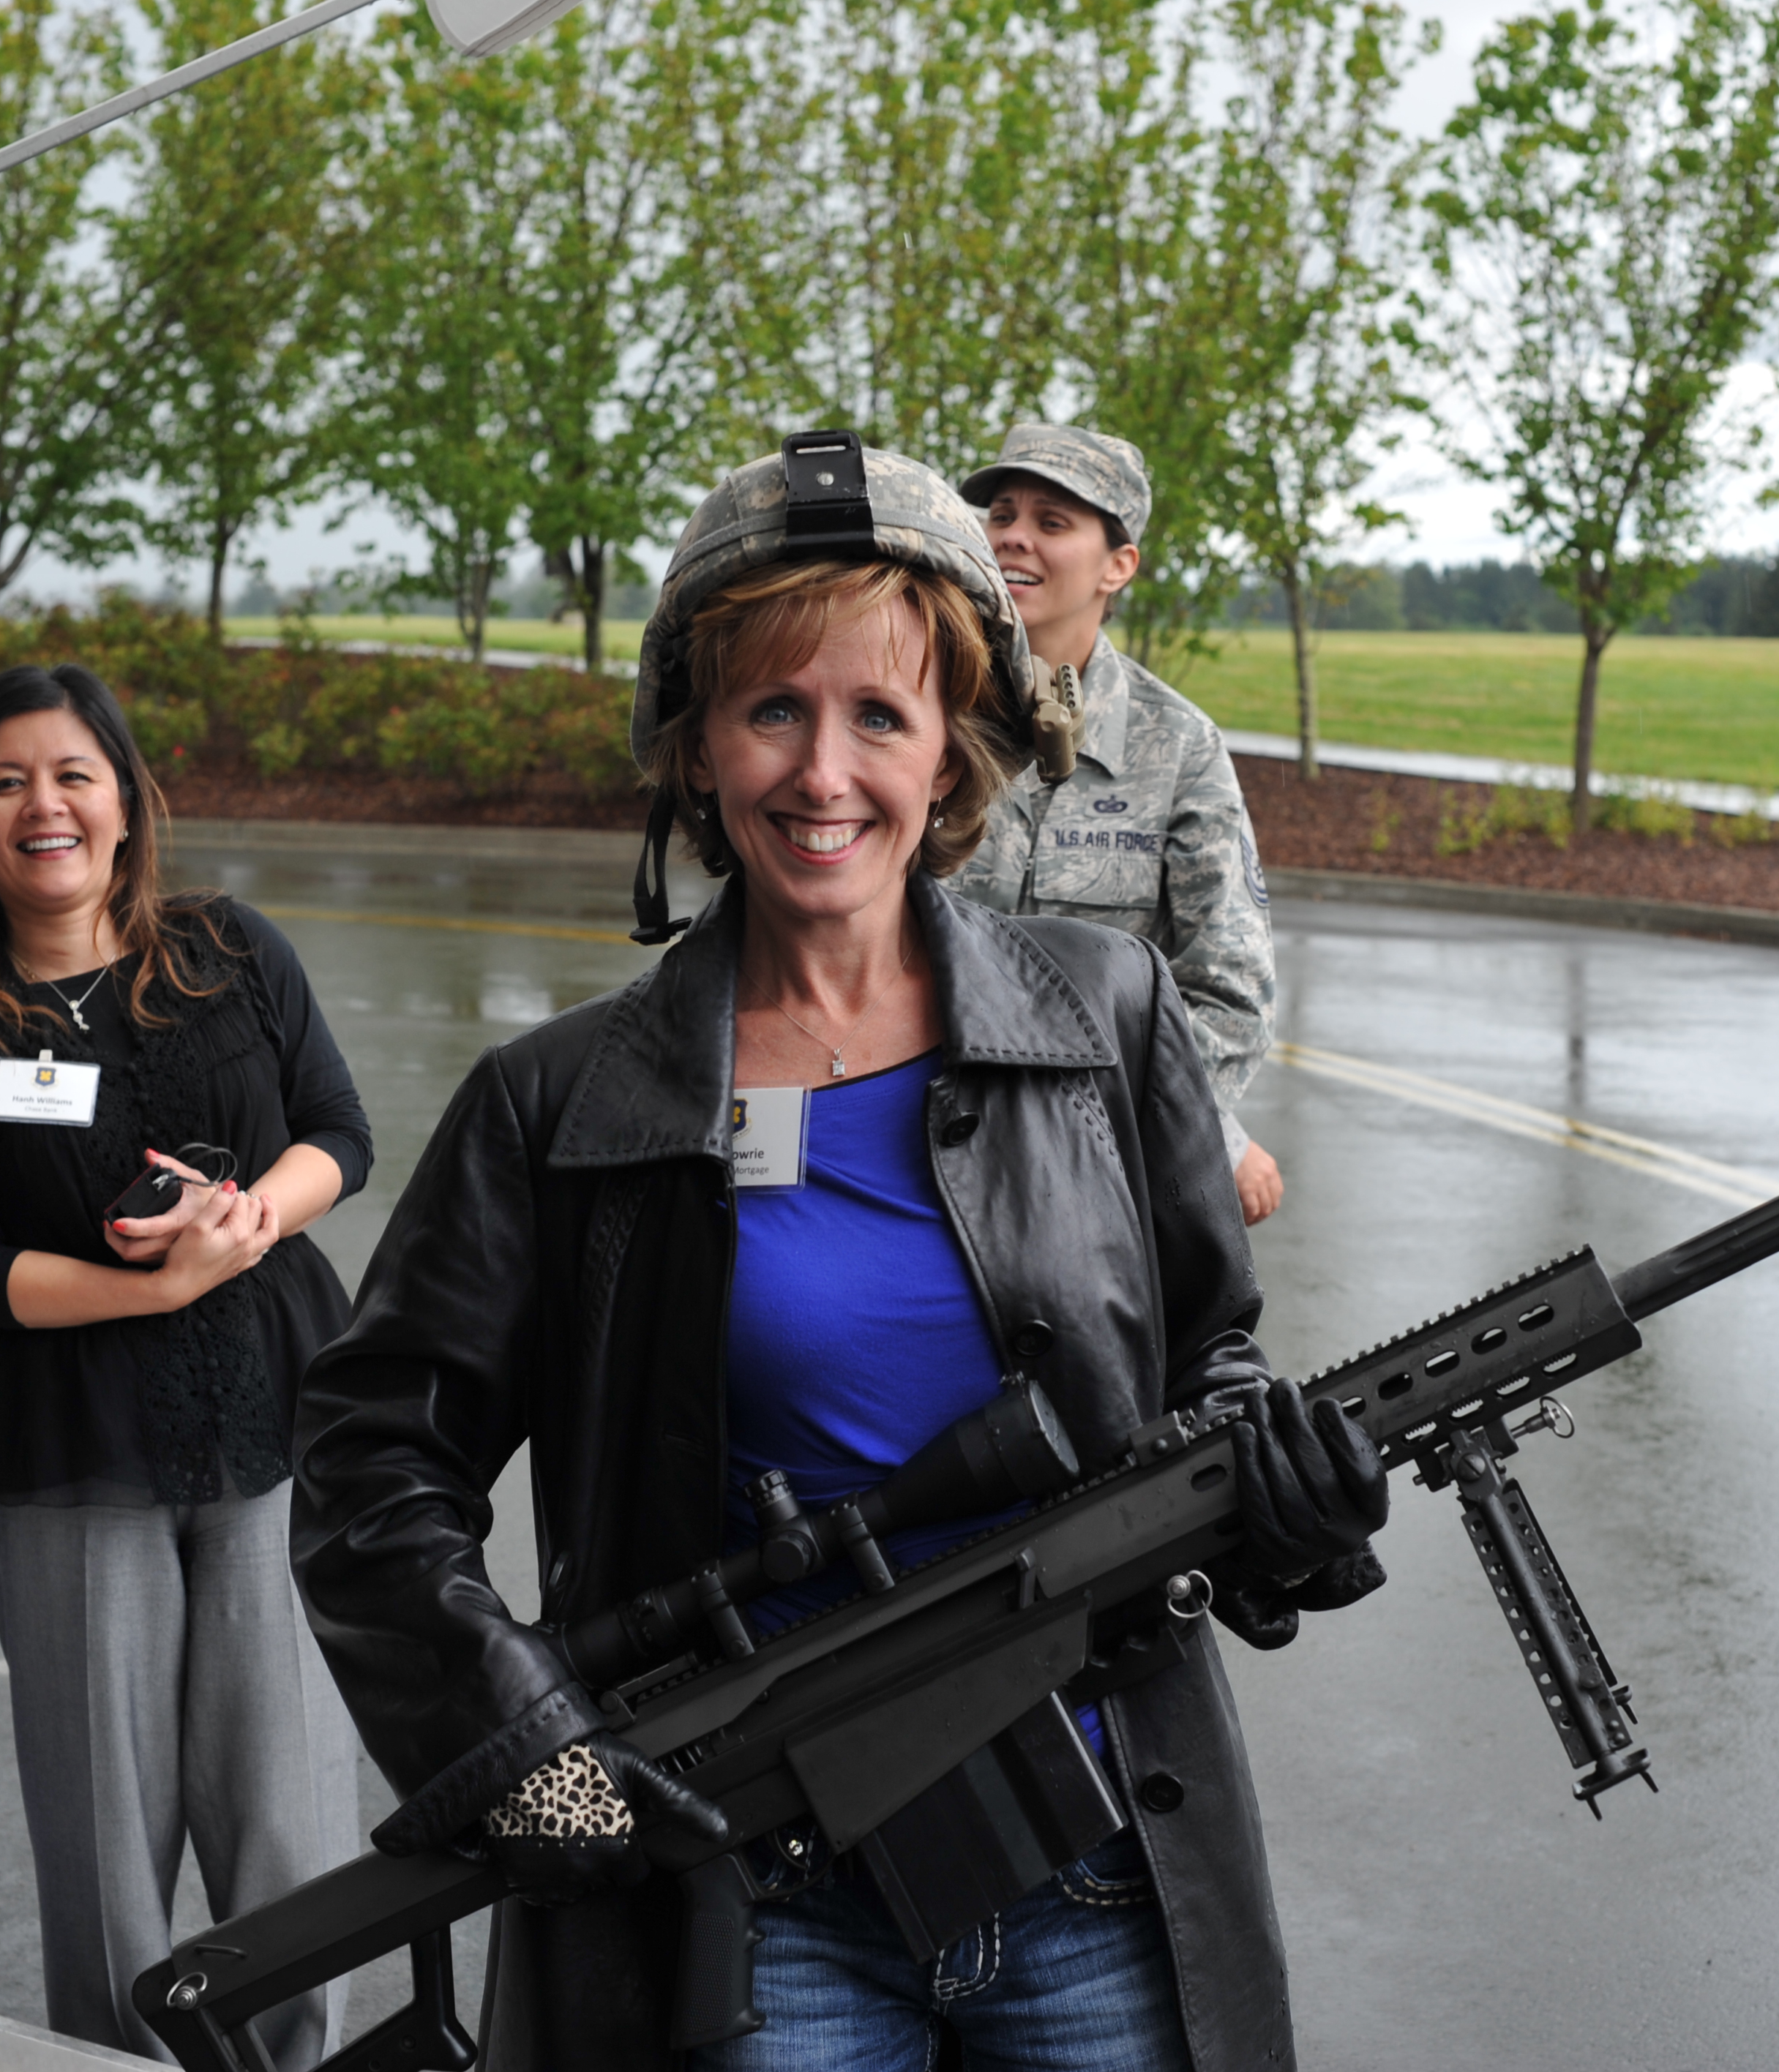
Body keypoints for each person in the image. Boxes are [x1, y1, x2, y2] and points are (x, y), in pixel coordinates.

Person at [291, 434, 1386, 2071]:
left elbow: (1204, 1366)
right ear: (697, 749)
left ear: (953, 752)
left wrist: (1285, 1510)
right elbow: (376, 1464)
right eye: (773, 710)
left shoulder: (1105, 1016)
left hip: (1097, 1854)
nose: (824, 772)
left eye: (880, 714)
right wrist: (530, 1753)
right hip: (754, 1901)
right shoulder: (564, 1100)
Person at [0, 665, 368, 2066]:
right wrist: (157, 1281)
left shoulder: (231, 950)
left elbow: (339, 1126)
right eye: (7, 782)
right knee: (105, 1848)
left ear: (130, 802)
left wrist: (252, 1221)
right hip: (71, 1454)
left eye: (75, 773)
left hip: (274, 1421)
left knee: (286, 1819)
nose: (47, 805)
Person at [951, 424, 1286, 1226]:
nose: (1013, 539)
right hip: (911, 1147)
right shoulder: (911, 712)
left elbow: (1229, 998)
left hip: (1091, 1170)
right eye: (1001, 514)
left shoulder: (1177, 747)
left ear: (1118, 566)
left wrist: (1178, 1123)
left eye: (1051, 523)